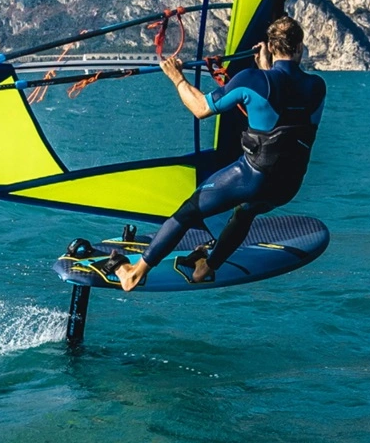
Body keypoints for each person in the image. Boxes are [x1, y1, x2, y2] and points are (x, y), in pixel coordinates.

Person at [113, 15, 326, 291]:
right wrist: (266, 67)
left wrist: (177, 77)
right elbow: (283, 97)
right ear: (300, 47)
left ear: (271, 47)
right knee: (245, 212)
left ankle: (134, 274)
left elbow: (201, 108)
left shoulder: (251, 80)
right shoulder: (317, 87)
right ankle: (206, 268)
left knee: (189, 211)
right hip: (288, 185)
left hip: (253, 177)